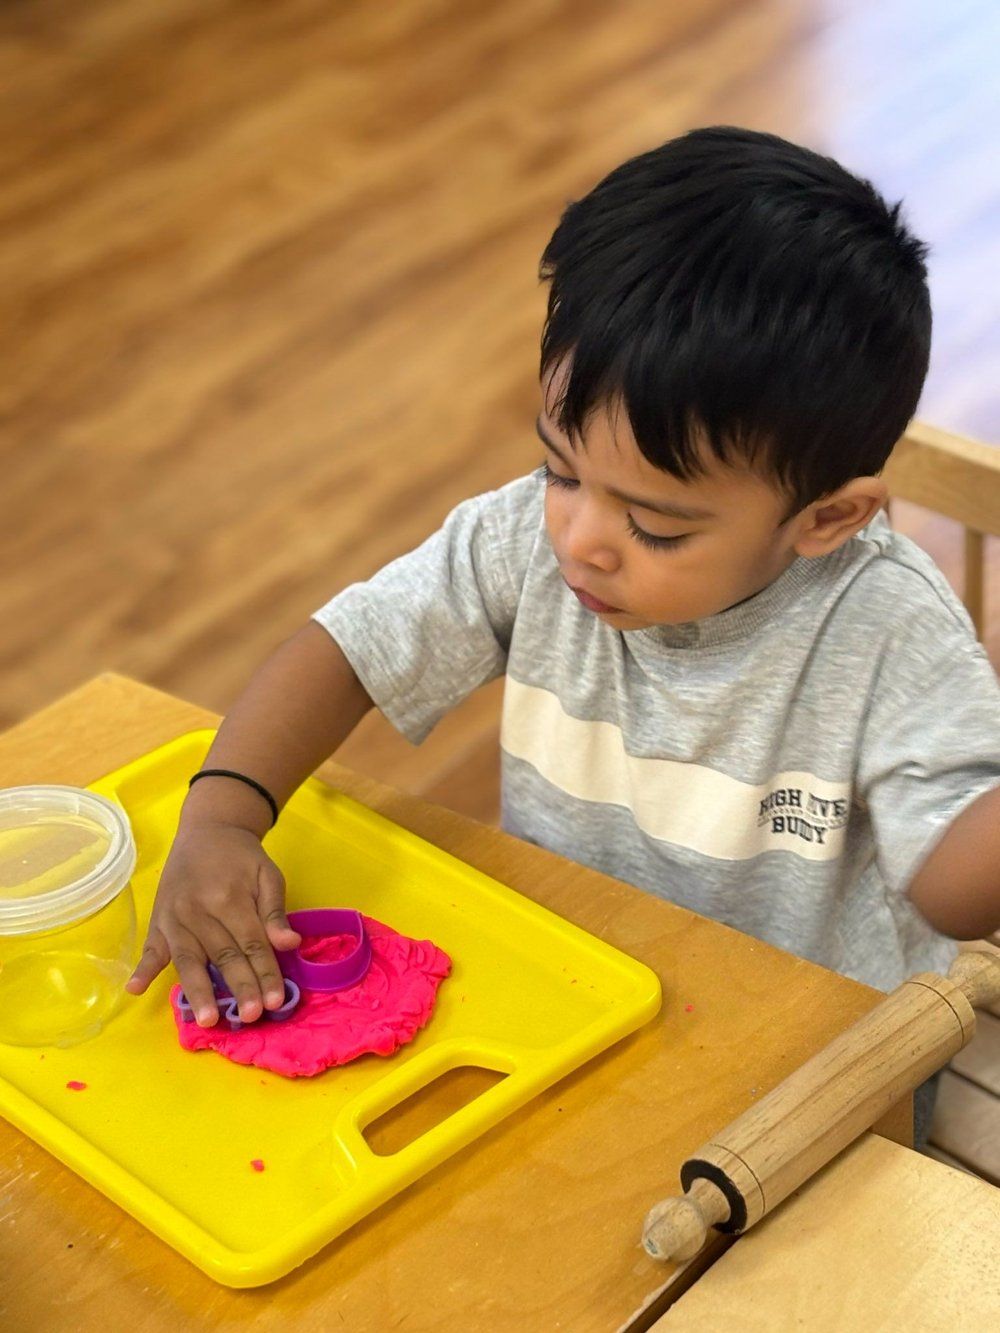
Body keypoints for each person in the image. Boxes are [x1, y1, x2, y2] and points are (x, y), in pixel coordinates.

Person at [126, 128, 1000, 1142]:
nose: (579, 540)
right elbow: (347, 648)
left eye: (654, 524)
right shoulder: (525, 543)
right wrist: (224, 817)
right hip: (576, 1012)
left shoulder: (887, 627)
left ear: (826, 520)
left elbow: (951, 890)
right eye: (560, 469)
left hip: (806, 1090)